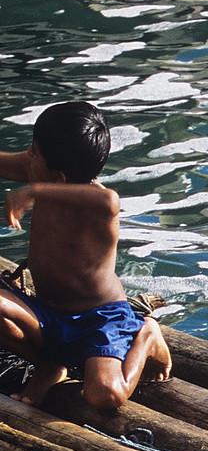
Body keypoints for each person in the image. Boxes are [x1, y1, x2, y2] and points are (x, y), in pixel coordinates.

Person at [0, 101, 171, 409]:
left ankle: (146, 334)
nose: (27, 157)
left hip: (100, 320)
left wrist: (34, 191)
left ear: (59, 176)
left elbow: (109, 199)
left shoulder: (99, 204)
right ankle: (50, 365)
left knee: (105, 395)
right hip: (47, 313)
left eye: (34, 153)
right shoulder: (37, 170)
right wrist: (36, 183)